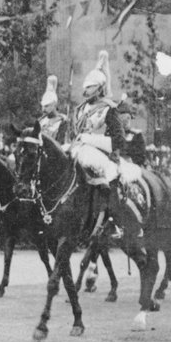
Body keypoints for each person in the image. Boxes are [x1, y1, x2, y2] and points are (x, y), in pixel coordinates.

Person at [68, 51, 142, 222]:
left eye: (91, 87)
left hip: (102, 153)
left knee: (110, 174)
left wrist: (89, 140)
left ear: (100, 87)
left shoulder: (109, 109)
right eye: (85, 86)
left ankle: (114, 216)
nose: (86, 90)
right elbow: (73, 133)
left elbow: (119, 139)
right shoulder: (79, 109)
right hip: (78, 148)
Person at [37, 75, 69, 141]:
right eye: (42, 106)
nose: (43, 109)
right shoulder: (41, 121)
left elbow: (62, 141)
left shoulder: (62, 121)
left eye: (46, 106)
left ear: (54, 104)